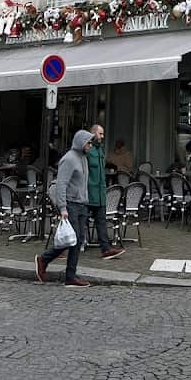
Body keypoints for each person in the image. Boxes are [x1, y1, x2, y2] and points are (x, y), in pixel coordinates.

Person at [35, 129, 95, 288]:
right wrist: (62, 208)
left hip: (82, 203)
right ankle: (53, 264)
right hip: (71, 203)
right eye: (89, 142)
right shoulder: (69, 159)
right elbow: (61, 184)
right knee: (72, 240)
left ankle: (66, 272)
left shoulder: (83, 158)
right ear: (81, 142)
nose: (91, 145)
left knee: (78, 239)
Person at [86, 123, 125, 261]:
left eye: (103, 134)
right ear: (93, 134)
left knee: (101, 222)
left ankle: (106, 249)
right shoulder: (87, 150)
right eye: (100, 133)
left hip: (100, 193)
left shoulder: (100, 150)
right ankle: (62, 248)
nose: (102, 136)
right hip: (88, 193)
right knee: (79, 222)